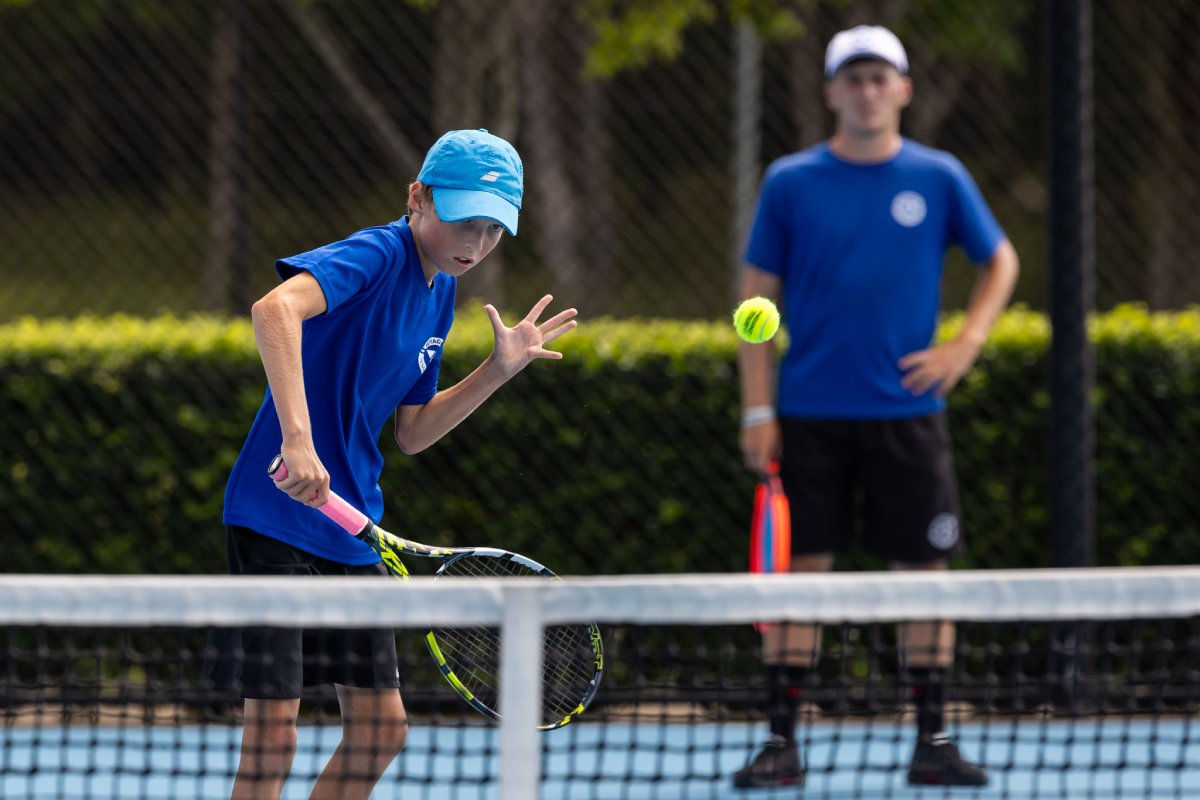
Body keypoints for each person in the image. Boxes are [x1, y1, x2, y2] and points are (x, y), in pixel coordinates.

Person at [215, 129, 577, 799]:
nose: (475, 242)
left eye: (493, 230)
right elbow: (275, 310)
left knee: (382, 730)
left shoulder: (439, 290)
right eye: (463, 220)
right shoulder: (378, 254)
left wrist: (494, 373)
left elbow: (411, 430)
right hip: (275, 516)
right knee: (273, 735)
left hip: (350, 529)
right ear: (418, 197)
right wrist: (298, 439)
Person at [733, 26, 1020, 790]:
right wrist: (758, 413)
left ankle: (933, 739)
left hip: (908, 416)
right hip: (809, 418)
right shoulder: (790, 182)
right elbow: (754, 300)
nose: (866, 90)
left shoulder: (939, 176)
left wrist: (965, 345)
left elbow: (1001, 259)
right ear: (831, 92)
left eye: (879, 77)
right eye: (852, 78)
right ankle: (780, 742)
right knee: (799, 578)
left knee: (925, 575)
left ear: (902, 89)